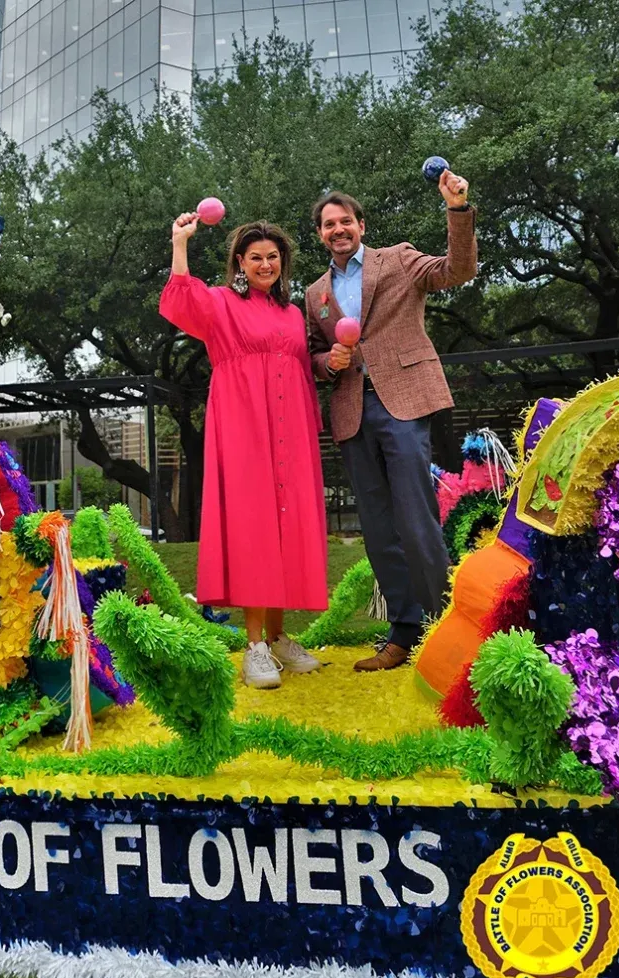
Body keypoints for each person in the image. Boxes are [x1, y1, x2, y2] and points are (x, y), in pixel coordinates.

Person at [306, 170, 477, 672]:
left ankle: (450, 626)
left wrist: (457, 210)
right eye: (328, 224)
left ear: (361, 224)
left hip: (402, 401)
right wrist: (326, 363)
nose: (338, 229)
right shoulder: (315, 293)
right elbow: (314, 355)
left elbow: (456, 270)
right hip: (352, 412)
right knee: (379, 530)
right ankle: (403, 632)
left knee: (416, 519)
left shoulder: (398, 259)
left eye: (345, 221)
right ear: (320, 233)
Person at [160, 213, 328, 689]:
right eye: (256, 257)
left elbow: (301, 368)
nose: (265, 264)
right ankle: (253, 647)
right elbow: (179, 301)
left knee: (285, 525)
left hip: (290, 431)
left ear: (283, 263)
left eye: (273, 257)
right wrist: (180, 243)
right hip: (242, 426)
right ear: (240, 262)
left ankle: (277, 637)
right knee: (254, 526)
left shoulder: (294, 315)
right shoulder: (221, 304)